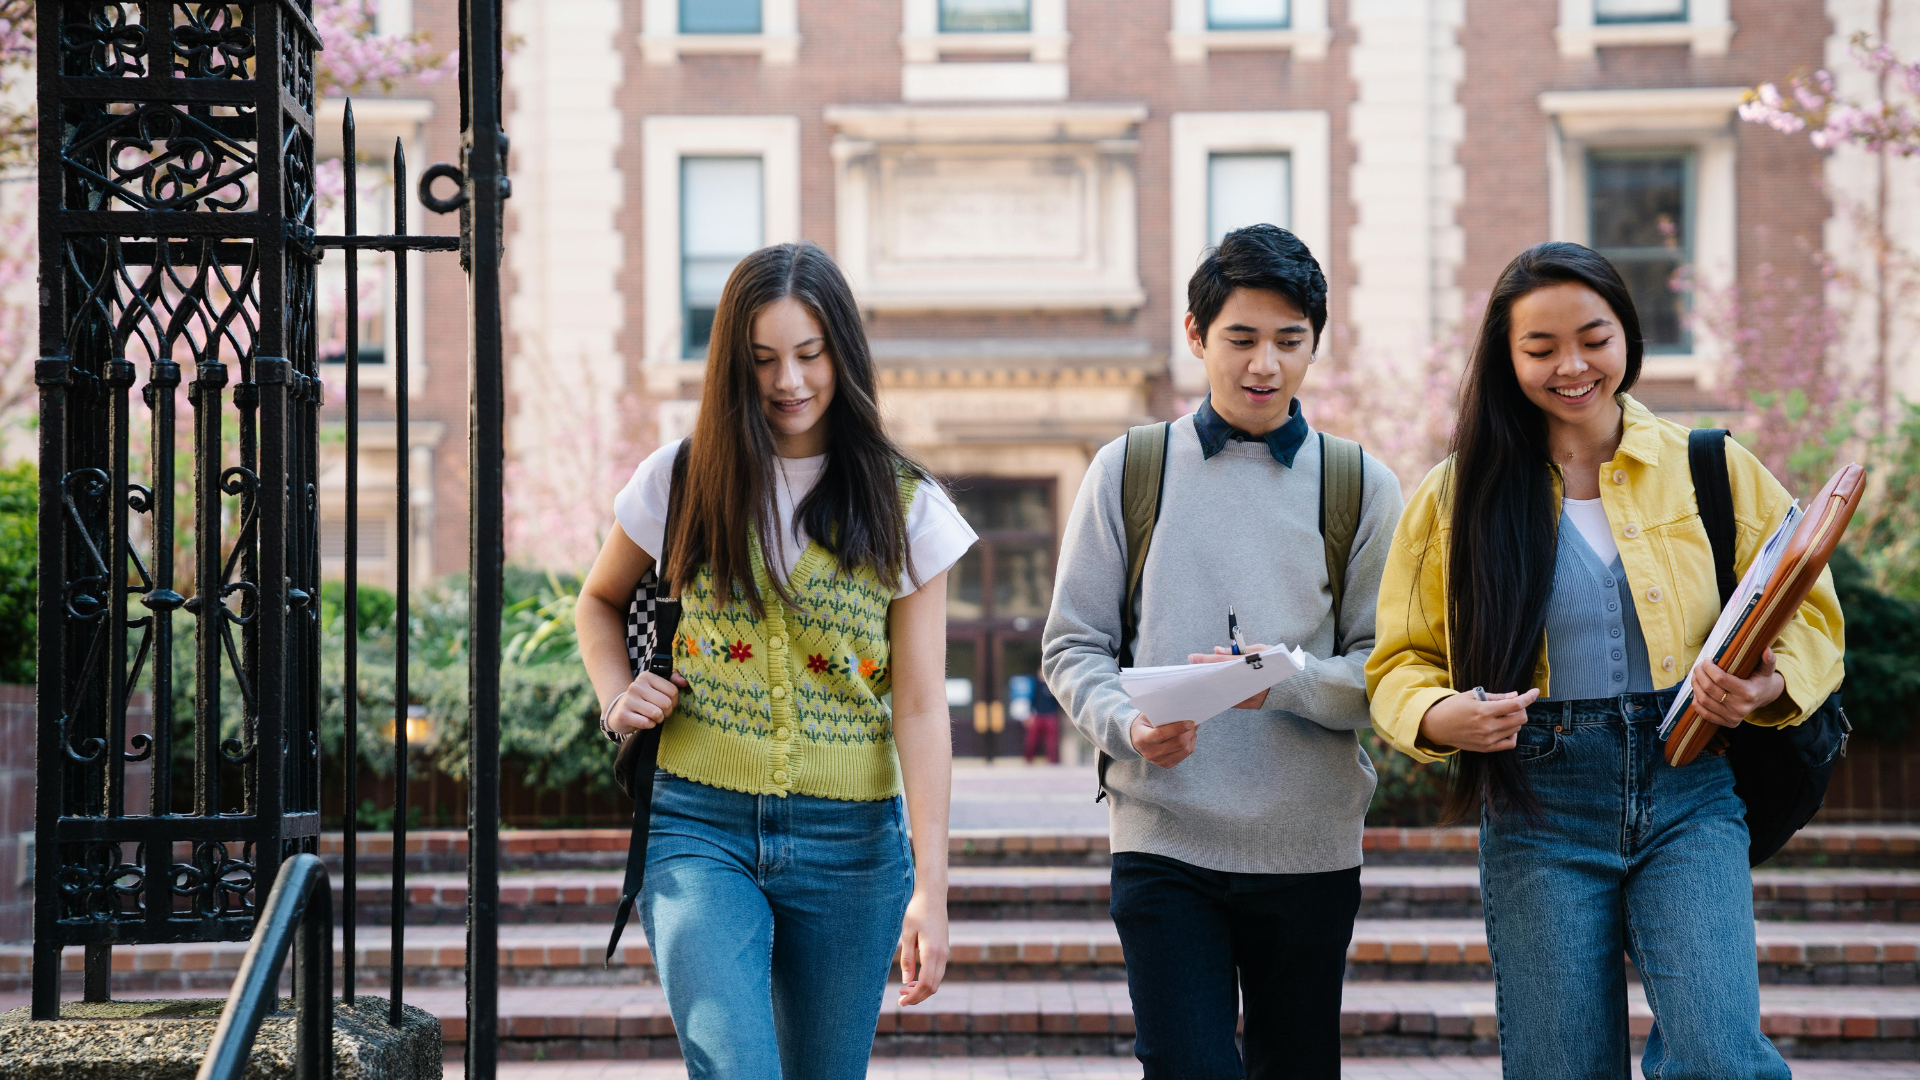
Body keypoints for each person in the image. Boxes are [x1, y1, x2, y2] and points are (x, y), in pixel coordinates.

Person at [1366, 241, 1844, 1080]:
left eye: (1594, 337)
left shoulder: (1710, 467)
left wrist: (1763, 684)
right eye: (1540, 349)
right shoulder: (1456, 496)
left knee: (1719, 1056)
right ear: (1506, 358)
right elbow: (1401, 662)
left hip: (1689, 783)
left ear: (1628, 333)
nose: (1572, 366)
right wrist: (1448, 716)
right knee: (1562, 1067)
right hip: (1538, 800)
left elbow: (1810, 616)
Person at [574, 241, 977, 1080]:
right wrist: (618, 698)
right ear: (733, 364)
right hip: (698, 824)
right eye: (763, 360)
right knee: (736, 1068)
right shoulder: (682, 479)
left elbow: (921, 707)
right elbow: (599, 601)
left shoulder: (907, 507)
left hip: (853, 843)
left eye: (809, 354)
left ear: (843, 353)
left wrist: (931, 891)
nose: (790, 382)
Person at [1043, 224, 1404, 1079]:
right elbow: (1073, 645)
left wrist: (1283, 682)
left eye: (1290, 341)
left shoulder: (1361, 486)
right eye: (1241, 339)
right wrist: (1130, 724)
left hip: (1309, 847)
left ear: (1316, 343)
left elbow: (1385, 675)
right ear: (1197, 337)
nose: (1265, 365)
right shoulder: (1128, 470)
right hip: (1164, 836)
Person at [1024, 673, 1062, 764]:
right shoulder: (1036, 685)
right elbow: (1032, 700)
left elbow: (1057, 702)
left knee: (1051, 741)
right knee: (1032, 739)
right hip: (1038, 715)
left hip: (1050, 715)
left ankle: (1052, 760)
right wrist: (1030, 714)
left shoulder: (1052, 684)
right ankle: (1029, 760)